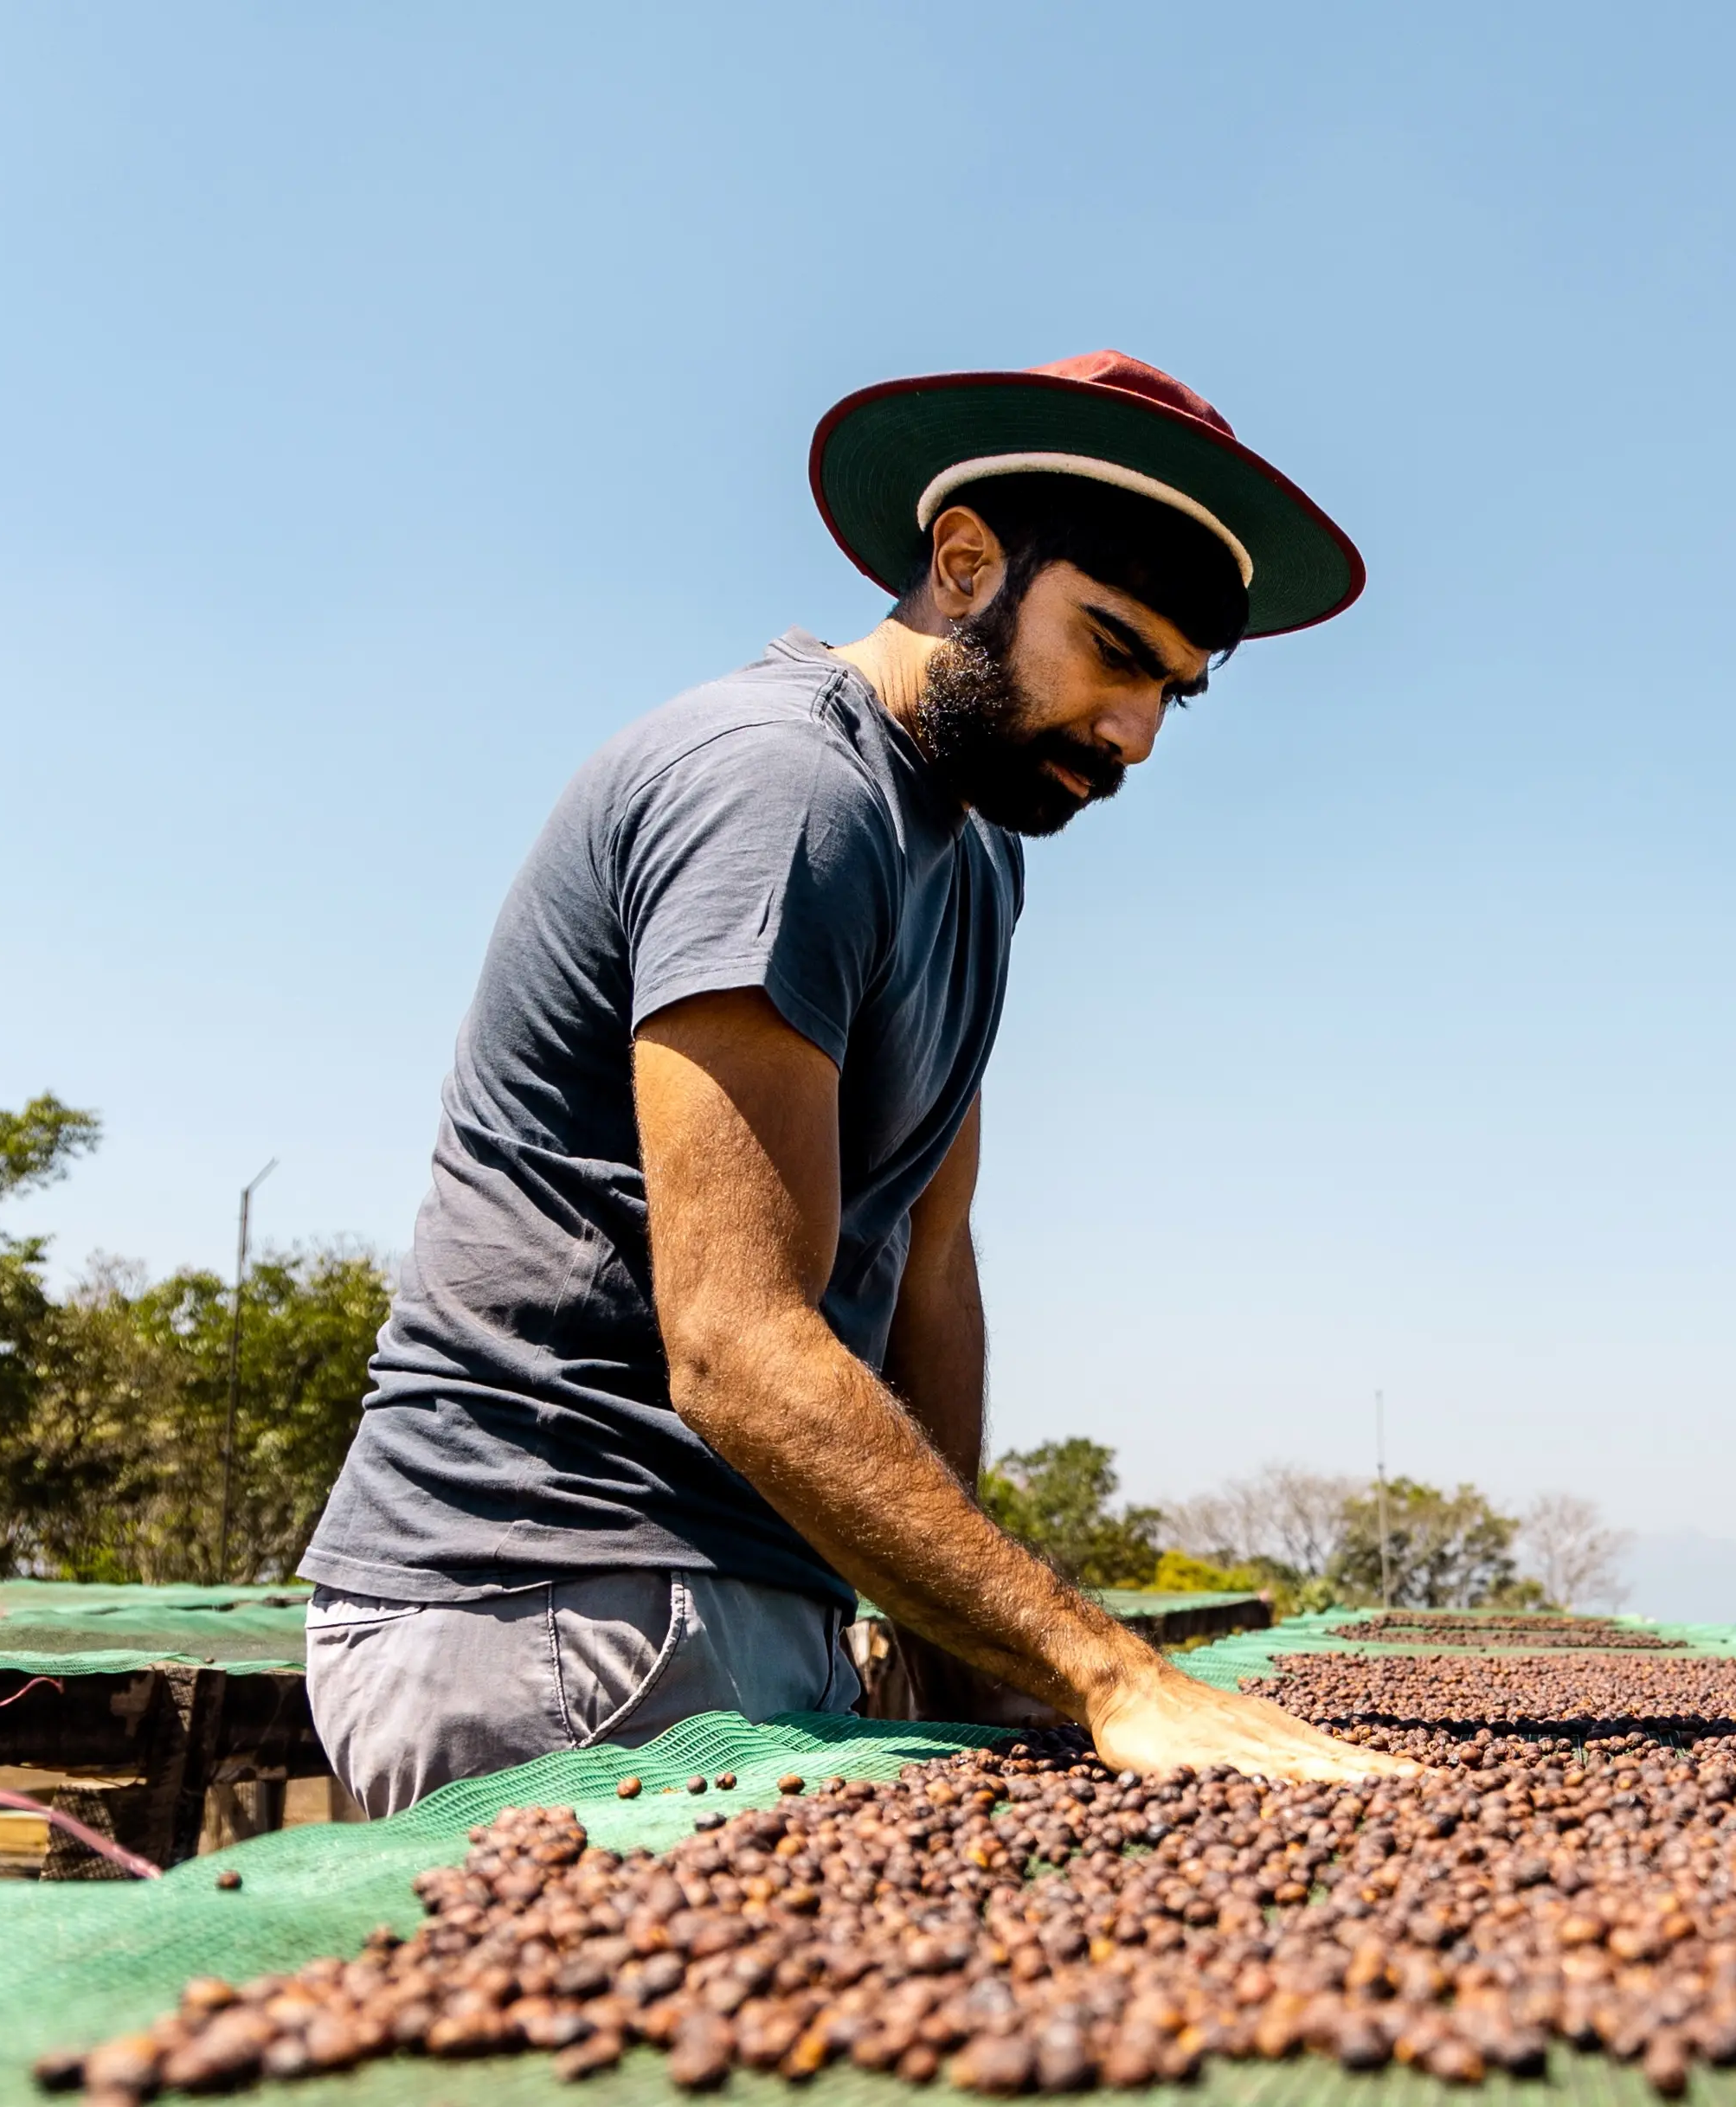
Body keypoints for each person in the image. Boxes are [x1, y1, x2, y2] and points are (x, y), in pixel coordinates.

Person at [299, 352, 1404, 1812]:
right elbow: (737, 1341)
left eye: (1175, 697)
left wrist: (978, 1670)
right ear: (963, 565)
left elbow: (929, 1270)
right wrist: (1109, 1670)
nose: (1135, 733)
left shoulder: (979, 859)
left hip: (752, 1593)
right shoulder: (784, 795)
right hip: (558, 1593)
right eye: (1116, 650)